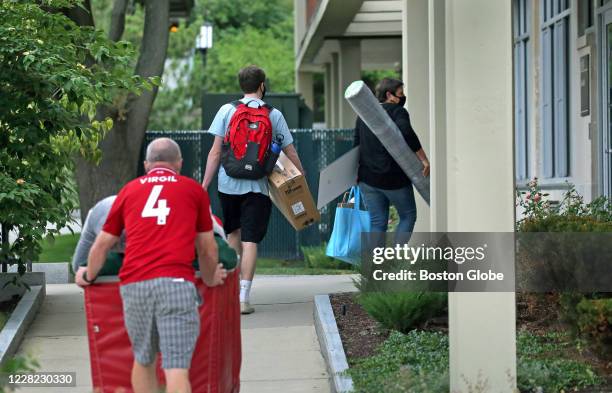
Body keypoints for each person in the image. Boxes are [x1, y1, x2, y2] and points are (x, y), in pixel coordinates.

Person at [79, 138, 227, 393]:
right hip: (176, 285)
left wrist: (88, 275)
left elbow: (102, 244)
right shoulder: (193, 191)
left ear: (147, 165)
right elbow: (207, 246)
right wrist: (211, 277)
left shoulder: (129, 191)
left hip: (135, 287)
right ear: (179, 164)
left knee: (143, 358)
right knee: (176, 365)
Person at [203, 65, 304, 314]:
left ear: (241, 85)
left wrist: (204, 184)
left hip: (228, 184)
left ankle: (230, 293)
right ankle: (243, 298)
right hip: (257, 186)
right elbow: (290, 151)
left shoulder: (227, 111)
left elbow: (216, 151)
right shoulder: (273, 114)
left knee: (233, 236)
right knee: (251, 241)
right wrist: (300, 178)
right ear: (262, 85)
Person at [354, 78, 430, 233]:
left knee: (377, 222)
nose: (403, 97)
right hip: (394, 178)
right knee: (408, 216)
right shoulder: (397, 111)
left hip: (367, 179)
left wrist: (355, 173)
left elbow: (356, 146)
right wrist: (423, 159)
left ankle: (378, 258)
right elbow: (407, 132)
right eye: (400, 93)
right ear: (389, 95)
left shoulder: (362, 115)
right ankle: (395, 255)